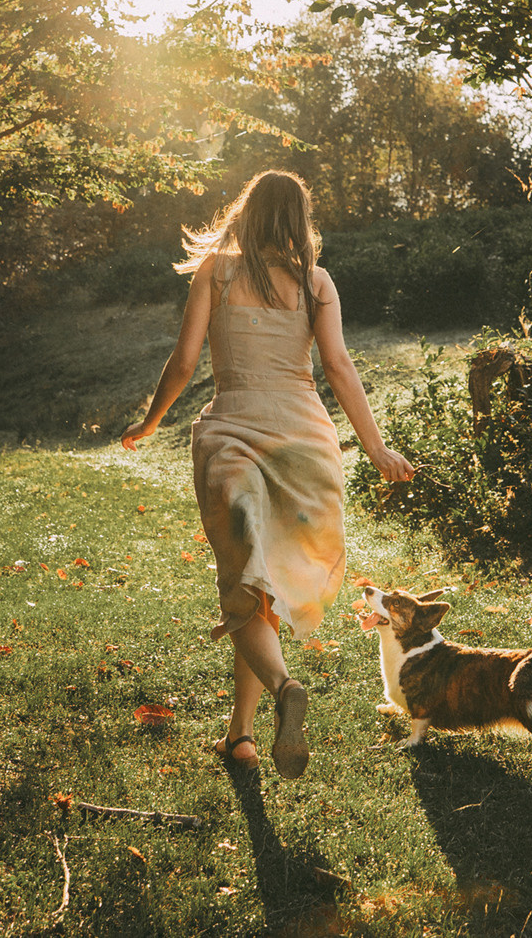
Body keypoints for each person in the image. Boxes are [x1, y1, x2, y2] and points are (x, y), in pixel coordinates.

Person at [122, 171, 414, 778]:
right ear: (300, 220)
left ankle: (283, 689)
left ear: (246, 213)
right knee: (264, 591)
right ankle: (242, 736)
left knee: (243, 585)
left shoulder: (217, 272)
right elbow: (337, 366)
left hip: (232, 435)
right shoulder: (316, 282)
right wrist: (377, 448)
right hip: (305, 442)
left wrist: (151, 421)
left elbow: (184, 361)